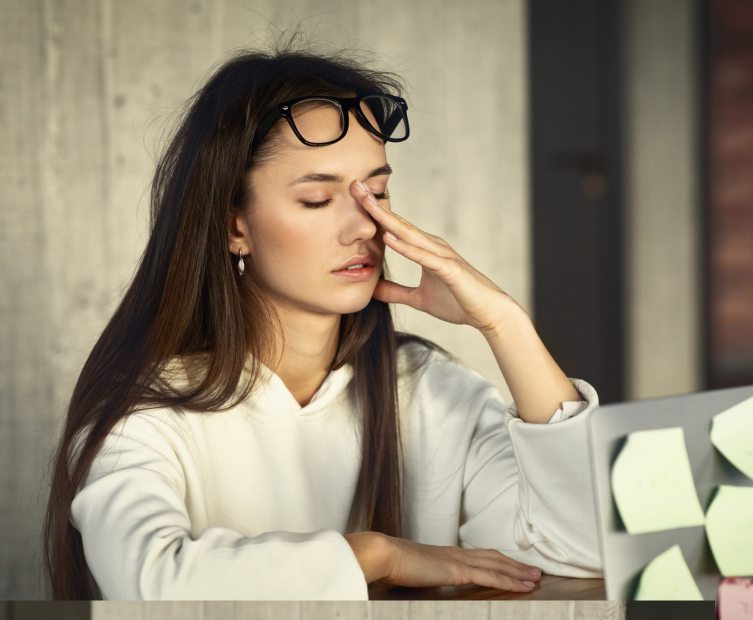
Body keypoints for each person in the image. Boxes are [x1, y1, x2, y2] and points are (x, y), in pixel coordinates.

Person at [42, 40, 602, 600]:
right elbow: (153, 584)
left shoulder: (429, 390)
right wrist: (377, 554)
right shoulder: (146, 411)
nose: (364, 225)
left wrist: (505, 324)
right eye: (317, 200)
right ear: (234, 225)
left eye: (376, 192)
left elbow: (583, 549)